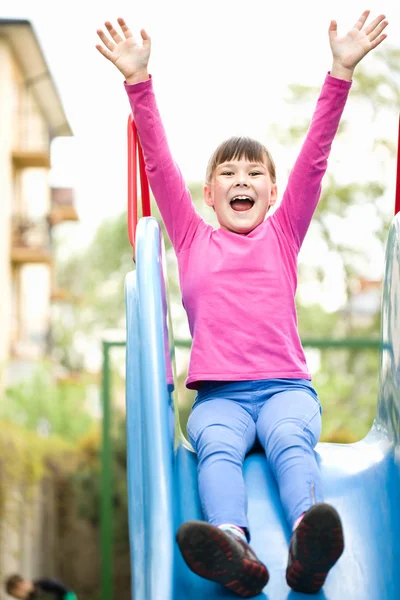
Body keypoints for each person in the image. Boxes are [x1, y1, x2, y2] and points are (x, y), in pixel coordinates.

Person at [96, 9, 388, 597]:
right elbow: (157, 163)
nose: (241, 181)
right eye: (228, 173)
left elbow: (314, 157)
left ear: (273, 192)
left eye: (254, 173)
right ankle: (234, 548)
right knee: (218, 451)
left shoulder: (284, 233)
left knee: (288, 440)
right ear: (209, 193)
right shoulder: (192, 237)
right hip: (218, 397)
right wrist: (138, 82)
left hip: (285, 388)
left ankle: (309, 542)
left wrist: (340, 71)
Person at [4, 575, 72, 600]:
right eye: (17, 596)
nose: (19, 597)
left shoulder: (43, 584)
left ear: (20, 585)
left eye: (18, 594)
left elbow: (66, 591)